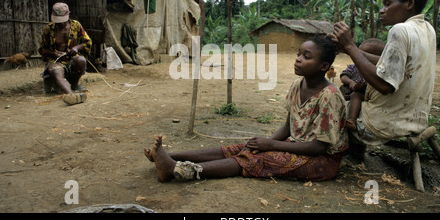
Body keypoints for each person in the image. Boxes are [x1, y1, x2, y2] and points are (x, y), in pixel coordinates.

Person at [144, 36, 348, 183]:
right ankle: (171, 157)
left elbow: (319, 147)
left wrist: (272, 145)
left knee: (256, 157)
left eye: (306, 56)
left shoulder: (329, 96)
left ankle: (176, 170)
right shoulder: (297, 85)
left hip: (322, 161)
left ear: (323, 66)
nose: (298, 59)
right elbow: (288, 126)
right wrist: (266, 142)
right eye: (298, 54)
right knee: (243, 147)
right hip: (297, 145)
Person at [332, 0, 436, 151]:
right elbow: (392, 64)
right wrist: (349, 49)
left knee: (329, 104)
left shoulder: (400, 30)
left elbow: (384, 85)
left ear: (409, 3)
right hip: (416, 120)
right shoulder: (427, 29)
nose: (382, 10)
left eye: (387, 4)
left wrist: (350, 45)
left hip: (382, 124)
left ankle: (332, 153)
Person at [39, 2, 92, 105]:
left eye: (62, 21)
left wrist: (76, 48)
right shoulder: (48, 29)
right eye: (57, 21)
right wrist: (54, 54)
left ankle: (75, 84)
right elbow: (41, 50)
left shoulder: (76, 25)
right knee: (56, 71)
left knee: (81, 60)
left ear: (68, 15)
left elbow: (87, 42)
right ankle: (71, 95)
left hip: (72, 59)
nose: (60, 24)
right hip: (55, 61)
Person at [339, 39, 385, 131]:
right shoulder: (354, 66)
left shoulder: (379, 71)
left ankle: (352, 119)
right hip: (355, 94)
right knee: (355, 95)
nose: (358, 57)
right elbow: (344, 76)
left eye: (364, 55)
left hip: (369, 97)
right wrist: (350, 82)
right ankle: (351, 120)